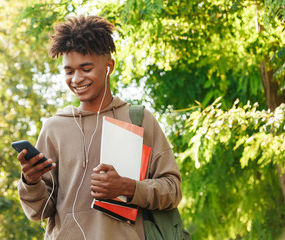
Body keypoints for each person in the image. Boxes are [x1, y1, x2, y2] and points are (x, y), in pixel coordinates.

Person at [17, 15, 182, 240]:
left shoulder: (138, 119)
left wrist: (128, 187)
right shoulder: (54, 128)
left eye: (86, 68)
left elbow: (172, 190)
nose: (76, 78)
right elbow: (38, 211)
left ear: (109, 66)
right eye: (69, 71)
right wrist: (31, 181)